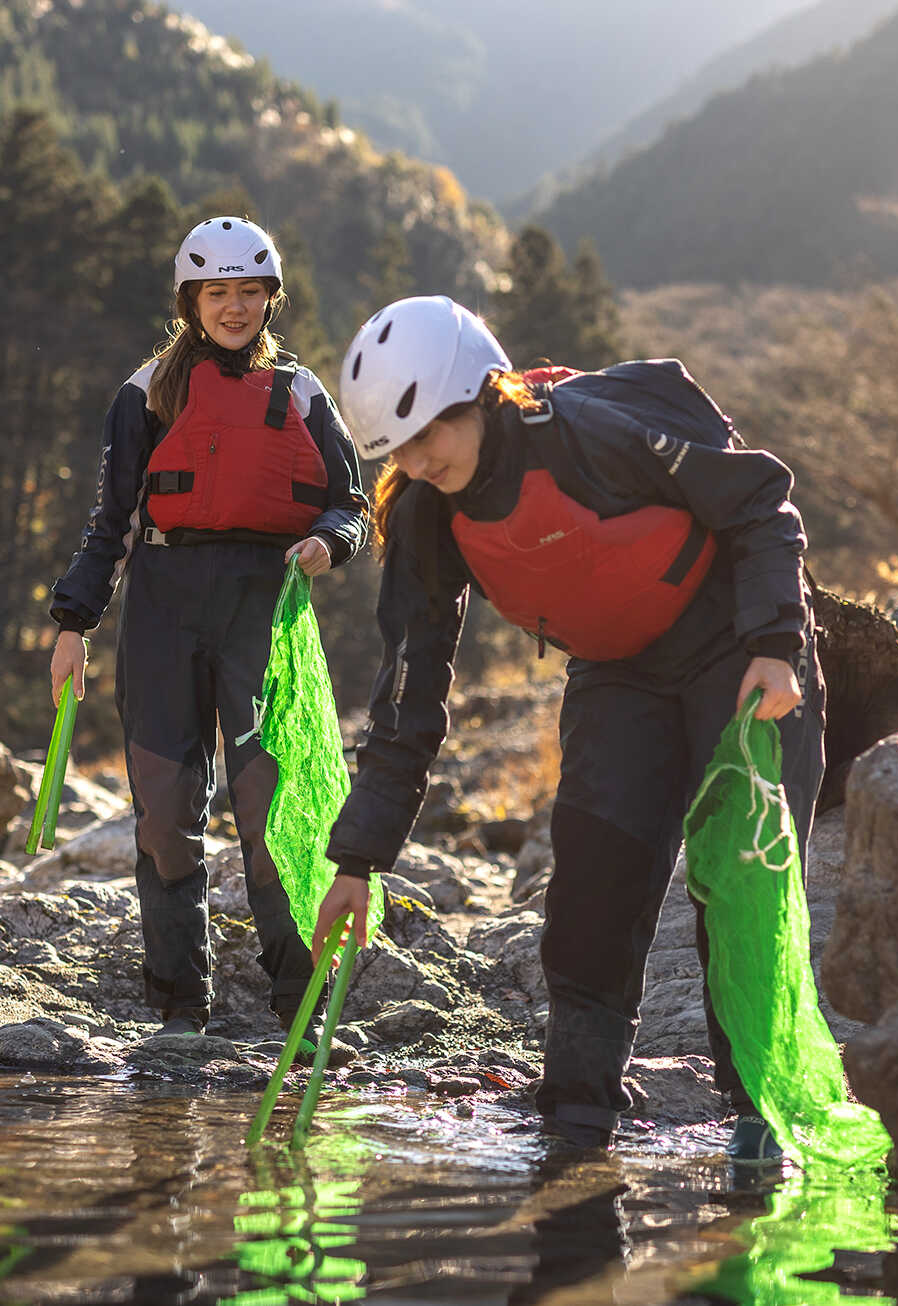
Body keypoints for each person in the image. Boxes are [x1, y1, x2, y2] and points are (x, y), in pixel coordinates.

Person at [310, 295, 822, 1160]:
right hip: (617, 672)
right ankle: (578, 1119)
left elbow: (761, 501)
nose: (419, 460)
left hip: (733, 647)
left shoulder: (591, 432)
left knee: (737, 882)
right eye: (398, 448)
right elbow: (408, 697)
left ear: (485, 392)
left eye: (431, 431)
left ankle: (760, 1119)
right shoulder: (430, 517)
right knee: (591, 889)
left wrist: (776, 645)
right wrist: (358, 862)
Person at [47, 216, 367, 1044]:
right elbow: (112, 521)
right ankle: (179, 1003)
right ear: (191, 300)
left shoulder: (300, 392)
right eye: (216, 292)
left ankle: (297, 999)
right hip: (162, 603)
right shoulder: (146, 391)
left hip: (264, 608)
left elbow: (353, 503)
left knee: (271, 809)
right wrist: (72, 624)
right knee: (164, 810)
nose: (233, 306)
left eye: (248, 291)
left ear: (270, 298)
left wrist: (328, 542)